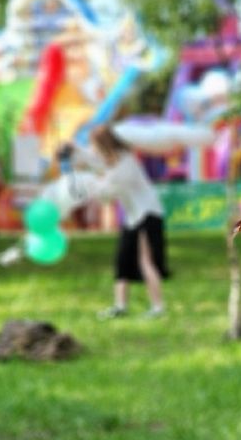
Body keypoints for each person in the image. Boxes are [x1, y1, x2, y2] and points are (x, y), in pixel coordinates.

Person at [62, 125, 167, 319]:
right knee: (122, 261)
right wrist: (73, 150)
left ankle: (158, 307)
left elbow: (105, 194)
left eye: (96, 146)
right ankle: (120, 306)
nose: (94, 150)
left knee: (146, 262)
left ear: (105, 145)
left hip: (147, 214)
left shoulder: (125, 166)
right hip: (133, 216)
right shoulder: (114, 159)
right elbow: (93, 159)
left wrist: (86, 184)